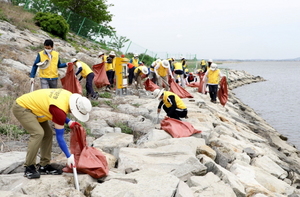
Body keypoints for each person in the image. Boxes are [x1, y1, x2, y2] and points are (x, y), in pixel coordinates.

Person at [12, 88, 92, 179]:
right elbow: (59, 137)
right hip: (22, 107)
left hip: (36, 108)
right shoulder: (59, 110)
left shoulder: (68, 95)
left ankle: (44, 166)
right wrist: (68, 156)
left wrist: (69, 122)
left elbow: (57, 110)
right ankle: (29, 168)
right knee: (38, 133)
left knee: (48, 134)